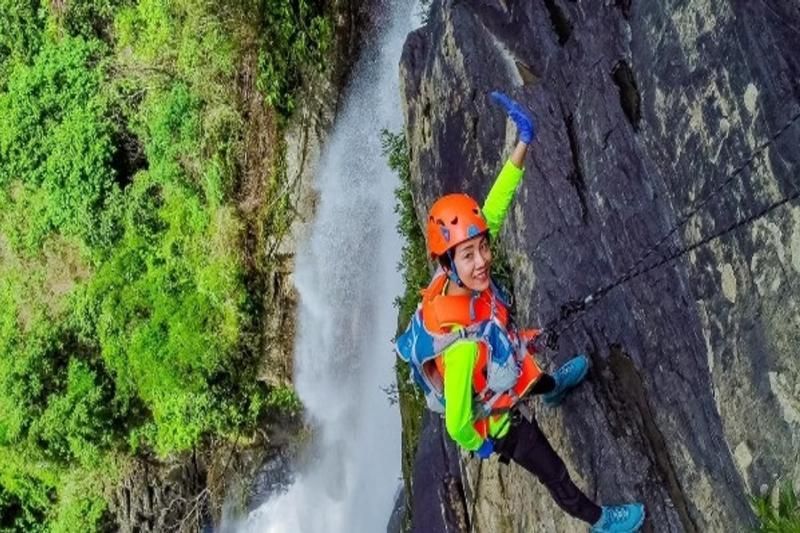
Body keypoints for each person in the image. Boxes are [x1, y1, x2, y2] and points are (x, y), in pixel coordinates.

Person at [395, 92, 645, 532]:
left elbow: (495, 205)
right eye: (469, 255)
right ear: (448, 262)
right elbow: (456, 424)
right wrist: (486, 446)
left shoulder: (454, 275)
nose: (482, 261)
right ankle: (601, 521)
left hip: (504, 366)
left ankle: (552, 388)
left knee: (531, 375)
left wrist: (522, 144)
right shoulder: (459, 350)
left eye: (482, 248)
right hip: (498, 420)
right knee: (555, 474)